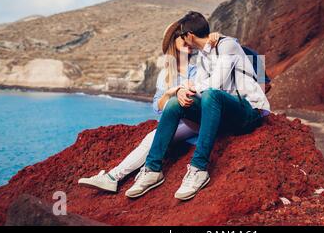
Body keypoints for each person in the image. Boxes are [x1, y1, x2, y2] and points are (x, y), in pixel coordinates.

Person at [129, 11, 270, 201]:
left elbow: (215, 84)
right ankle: (153, 169)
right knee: (175, 103)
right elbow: (201, 89)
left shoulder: (227, 45)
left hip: (248, 111)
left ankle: (199, 168)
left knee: (212, 94)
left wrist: (191, 87)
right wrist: (182, 92)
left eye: (182, 35)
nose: (182, 40)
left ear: (190, 35)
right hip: (223, 113)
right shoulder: (203, 56)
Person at [78, 21, 221, 197]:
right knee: (154, 135)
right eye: (180, 36)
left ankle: (114, 176)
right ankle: (114, 177)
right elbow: (157, 106)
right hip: (179, 121)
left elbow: (209, 89)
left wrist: (214, 41)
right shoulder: (165, 73)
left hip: (198, 118)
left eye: (186, 36)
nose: (185, 40)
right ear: (173, 42)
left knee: (152, 137)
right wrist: (172, 92)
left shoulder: (199, 67)